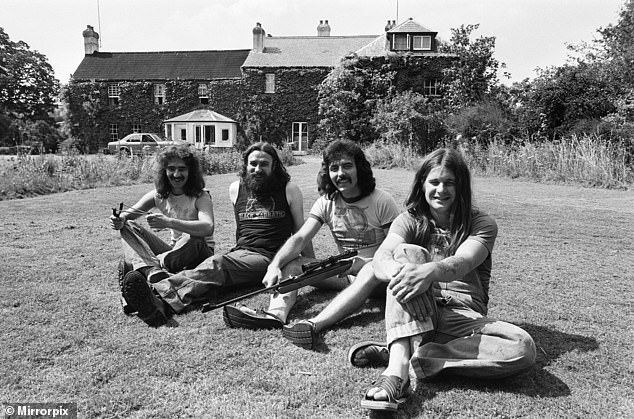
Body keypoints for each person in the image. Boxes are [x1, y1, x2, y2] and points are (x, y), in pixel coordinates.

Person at [354, 148, 536, 412]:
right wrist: (402, 272)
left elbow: (462, 262)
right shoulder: (409, 220)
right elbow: (382, 256)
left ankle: (418, 353)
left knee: (522, 348)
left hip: (462, 317)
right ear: (422, 184)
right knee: (408, 254)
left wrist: (428, 272)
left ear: (460, 186)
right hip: (418, 305)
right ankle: (396, 373)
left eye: (449, 182)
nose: (441, 190)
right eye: (434, 182)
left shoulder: (481, 223)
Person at [223, 139, 401, 351]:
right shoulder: (327, 201)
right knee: (293, 265)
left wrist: (367, 263)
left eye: (347, 166)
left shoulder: (382, 201)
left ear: (360, 168)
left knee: (370, 270)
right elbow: (300, 238)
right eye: (334, 168)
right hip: (346, 273)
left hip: (379, 276)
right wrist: (274, 265)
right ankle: (275, 315)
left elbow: (396, 251)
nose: (340, 174)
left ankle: (314, 325)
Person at [120, 141, 310, 327]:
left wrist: (309, 261)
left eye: (264, 164)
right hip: (241, 252)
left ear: (274, 166)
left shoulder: (289, 189)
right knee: (212, 271)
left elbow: (301, 232)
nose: (257, 169)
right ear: (245, 165)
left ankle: (160, 298)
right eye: (253, 164)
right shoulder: (236, 189)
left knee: (217, 264)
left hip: (270, 257)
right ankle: (147, 294)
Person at [110, 144, 215, 315]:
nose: (176, 174)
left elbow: (207, 227)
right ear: (164, 172)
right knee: (129, 226)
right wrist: (119, 220)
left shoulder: (201, 196)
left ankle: (145, 268)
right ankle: (152, 271)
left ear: (191, 172)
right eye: (171, 169)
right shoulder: (159, 195)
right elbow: (128, 215)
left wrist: (168, 222)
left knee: (193, 237)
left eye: (182, 169)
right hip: (174, 253)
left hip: (199, 253)